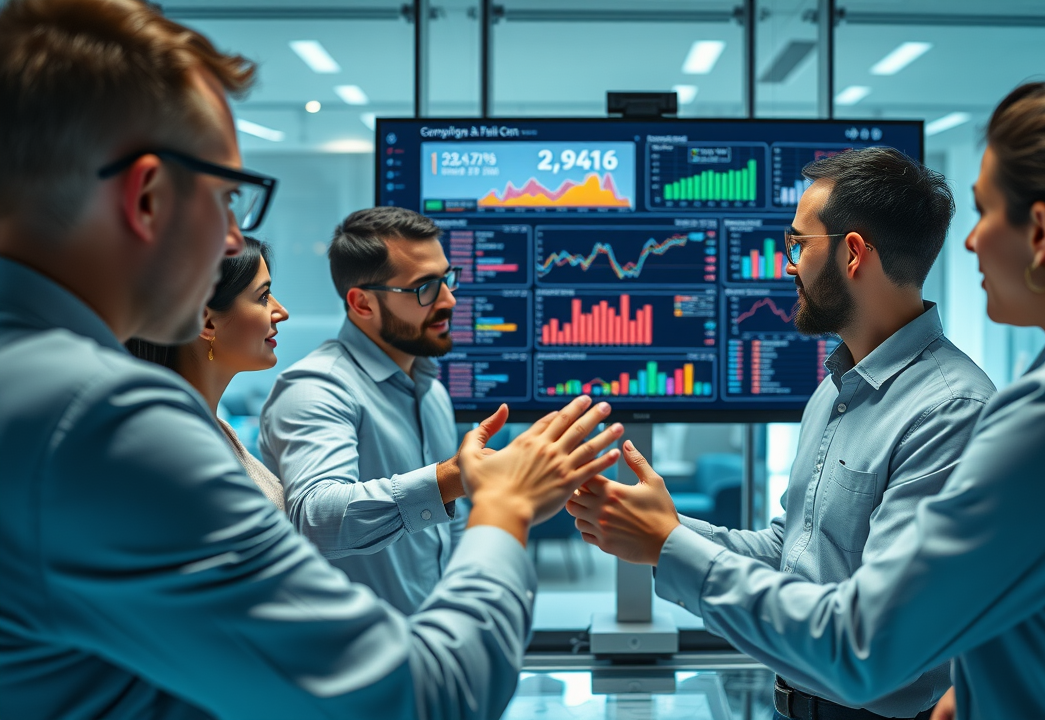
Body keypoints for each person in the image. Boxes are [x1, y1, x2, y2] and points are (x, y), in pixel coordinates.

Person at [568, 76, 1045, 720]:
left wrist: (669, 547)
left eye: (985, 211)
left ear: (1040, 233)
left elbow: (864, 647)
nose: (967, 244)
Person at [0, 1, 623, 718]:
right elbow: (428, 698)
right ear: (147, 197)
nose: (232, 241)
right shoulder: (102, 422)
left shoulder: (35, 387)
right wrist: (504, 506)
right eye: (227, 199)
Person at [570, 147, 995, 719]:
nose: (788, 265)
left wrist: (668, 546)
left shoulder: (949, 413)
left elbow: (872, 647)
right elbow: (791, 555)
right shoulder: (836, 388)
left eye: (798, 244)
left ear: (852, 254)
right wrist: (662, 527)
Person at [257, 207, 478, 613]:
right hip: (352, 650)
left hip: (432, 640)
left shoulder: (431, 390)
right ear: (362, 304)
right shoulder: (316, 388)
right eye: (425, 287)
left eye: (447, 279)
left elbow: (450, 528)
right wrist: (449, 478)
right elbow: (317, 518)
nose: (449, 299)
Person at [127, 236, 290, 509]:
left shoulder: (216, 429)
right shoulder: (177, 445)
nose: (281, 312)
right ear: (206, 322)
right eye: (263, 297)